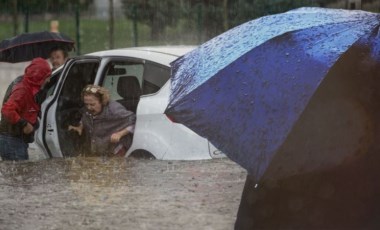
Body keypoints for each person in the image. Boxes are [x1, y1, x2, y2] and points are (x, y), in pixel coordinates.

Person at [0, 58, 51, 161]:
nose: (48, 80)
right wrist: (24, 124)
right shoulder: (22, 90)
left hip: (15, 139)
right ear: (39, 77)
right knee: (20, 174)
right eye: (46, 77)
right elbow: (7, 110)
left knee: (16, 173)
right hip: (11, 140)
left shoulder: (29, 82)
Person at [68, 85, 136, 157]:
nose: (89, 107)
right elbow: (85, 117)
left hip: (116, 151)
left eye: (92, 104)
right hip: (100, 151)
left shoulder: (114, 109)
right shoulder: (87, 109)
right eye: (86, 104)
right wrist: (80, 126)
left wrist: (120, 134)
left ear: (102, 101)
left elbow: (135, 121)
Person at [2, 46, 69, 105]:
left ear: (65, 59)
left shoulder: (69, 75)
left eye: (58, 57)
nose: (55, 61)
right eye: (52, 58)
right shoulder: (46, 75)